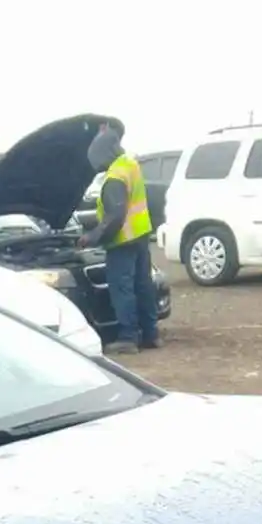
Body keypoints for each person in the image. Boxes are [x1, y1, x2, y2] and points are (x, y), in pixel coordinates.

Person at [81, 121, 159, 354]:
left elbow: (114, 216)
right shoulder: (130, 164)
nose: (99, 168)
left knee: (122, 288)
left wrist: (91, 237)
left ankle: (127, 338)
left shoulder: (114, 177)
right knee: (143, 285)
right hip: (141, 235)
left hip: (122, 240)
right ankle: (150, 334)